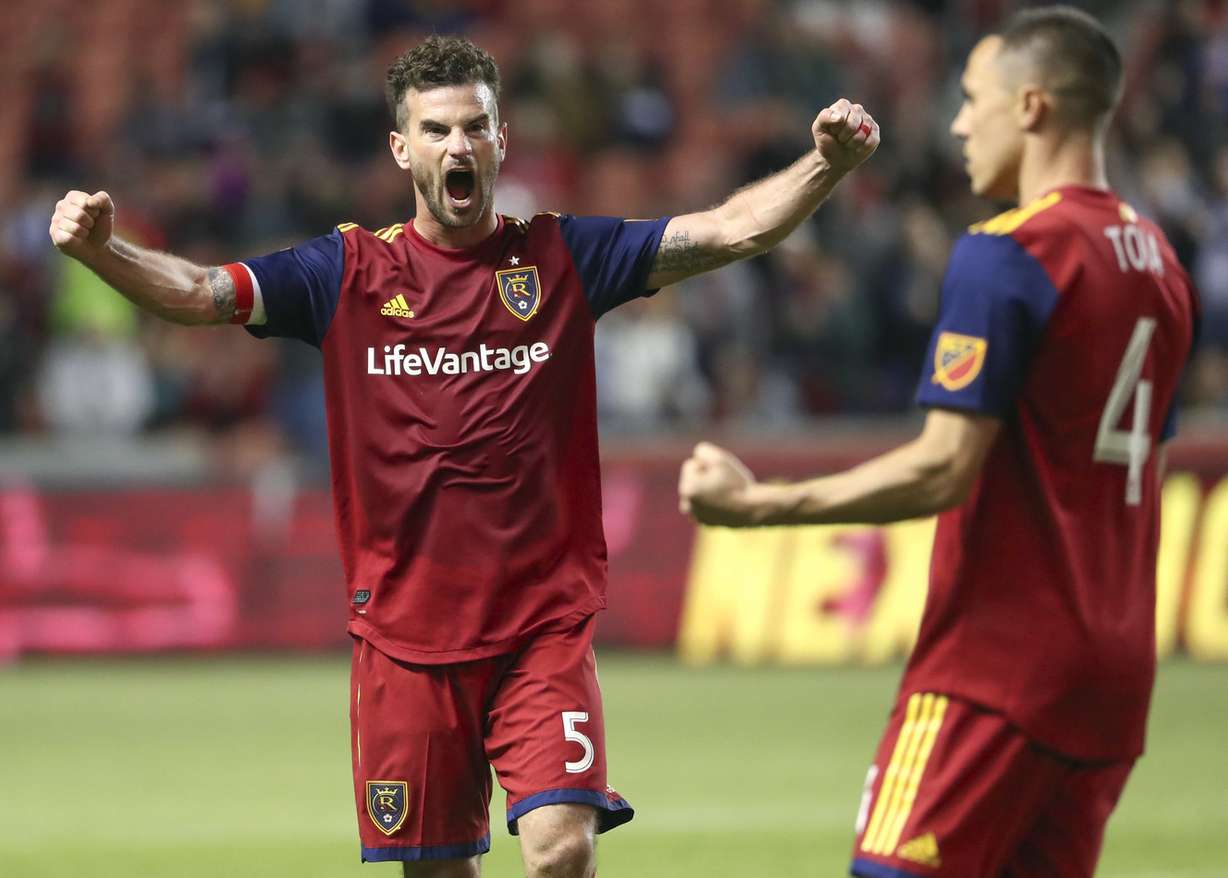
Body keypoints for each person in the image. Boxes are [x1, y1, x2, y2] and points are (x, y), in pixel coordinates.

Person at [49, 35, 878, 878]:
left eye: (475, 127)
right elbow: (199, 294)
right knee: (439, 869)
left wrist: (824, 166)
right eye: (438, 130)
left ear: (501, 139)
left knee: (560, 851)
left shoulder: (562, 256)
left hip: (539, 631)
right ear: (402, 148)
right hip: (405, 639)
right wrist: (100, 252)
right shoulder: (345, 272)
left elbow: (731, 229)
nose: (459, 146)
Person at [678, 7, 1198, 878]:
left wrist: (757, 505)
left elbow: (943, 467)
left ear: (1030, 106)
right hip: (1112, 682)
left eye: (970, 99)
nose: (958, 124)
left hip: (995, 670)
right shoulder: (1161, 264)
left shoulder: (1008, 253)